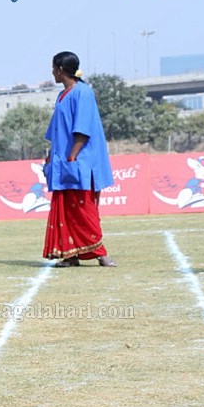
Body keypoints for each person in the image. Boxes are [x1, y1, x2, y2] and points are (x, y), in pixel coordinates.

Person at [42, 51, 116, 267]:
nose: (52, 72)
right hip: (64, 161)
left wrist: (72, 157)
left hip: (80, 162)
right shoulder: (62, 95)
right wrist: (51, 157)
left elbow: (82, 130)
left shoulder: (83, 93)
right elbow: (56, 130)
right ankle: (70, 255)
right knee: (66, 209)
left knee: (84, 209)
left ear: (60, 70)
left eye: (53, 68)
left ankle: (101, 253)